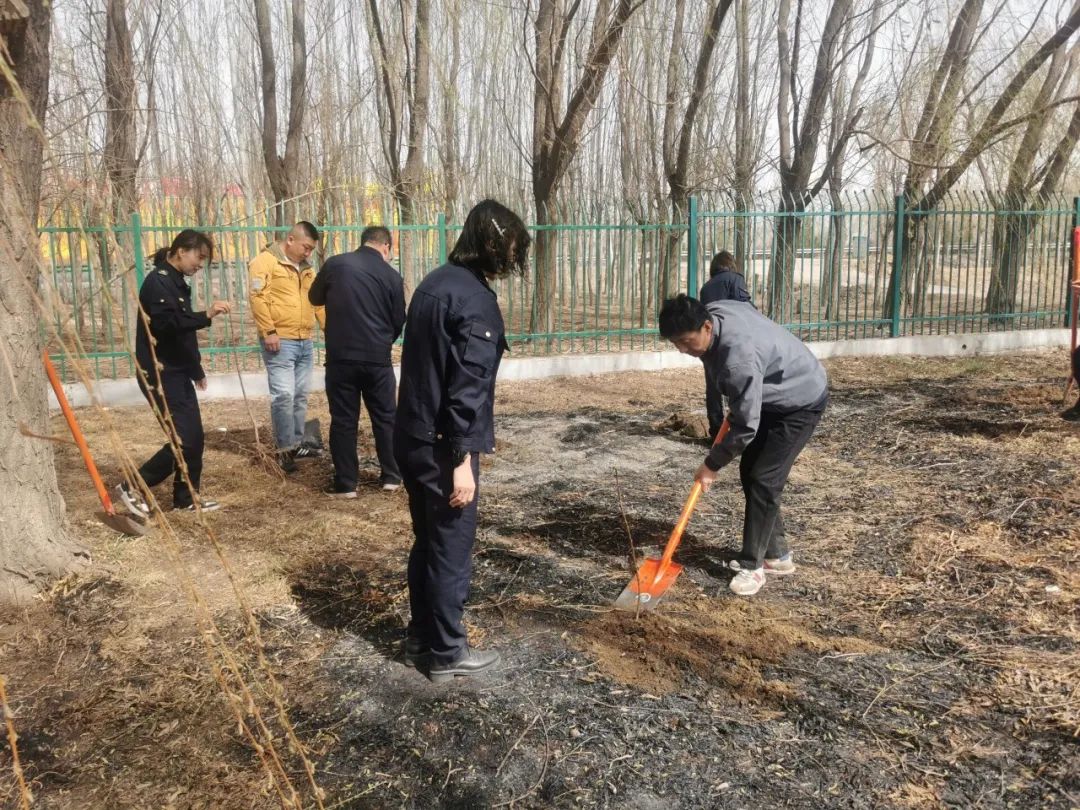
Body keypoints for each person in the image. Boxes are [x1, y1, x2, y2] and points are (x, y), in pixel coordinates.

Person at [394, 199, 530, 684]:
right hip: (441, 448)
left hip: (410, 436)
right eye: (512, 247)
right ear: (494, 244)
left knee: (427, 542)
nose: (514, 258)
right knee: (451, 547)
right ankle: (448, 653)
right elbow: (466, 391)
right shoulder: (474, 300)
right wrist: (461, 460)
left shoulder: (434, 283)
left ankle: (419, 638)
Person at [658, 294, 828, 597]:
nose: (682, 350)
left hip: (799, 400)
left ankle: (754, 567)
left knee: (764, 477)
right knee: (753, 472)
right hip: (771, 392)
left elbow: (746, 424)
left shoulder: (738, 361)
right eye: (676, 344)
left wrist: (711, 464)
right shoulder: (717, 312)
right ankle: (777, 556)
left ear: (707, 327)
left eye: (686, 341)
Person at [114, 230, 232, 515]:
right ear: (182, 250)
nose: (200, 264)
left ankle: (186, 497)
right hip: (160, 372)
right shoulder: (158, 283)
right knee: (185, 439)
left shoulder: (176, 282)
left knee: (194, 437)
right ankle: (132, 486)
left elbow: (182, 337)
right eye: (199, 257)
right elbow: (168, 326)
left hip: (178, 371)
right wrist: (206, 315)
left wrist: (196, 369)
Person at [308, 225, 406, 496]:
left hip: (341, 358)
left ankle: (346, 483)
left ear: (362, 242)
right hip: (377, 358)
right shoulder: (392, 276)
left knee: (343, 420)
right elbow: (399, 320)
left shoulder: (336, 264)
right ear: (386, 247)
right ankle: (392, 477)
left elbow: (314, 297)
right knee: (386, 418)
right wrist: (383, 339)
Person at [248, 222, 325, 473]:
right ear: (290, 240)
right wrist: (268, 331)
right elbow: (258, 298)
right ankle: (284, 450)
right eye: (306, 247)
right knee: (284, 395)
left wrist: (329, 330)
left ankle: (296, 442)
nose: (308, 253)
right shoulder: (265, 262)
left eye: (312, 249)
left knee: (301, 394)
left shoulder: (307, 268)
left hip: (305, 339)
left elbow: (317, 302)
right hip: (280, 340)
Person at [698, 250, 752, 440]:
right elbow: (744, 308)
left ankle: (716, 434)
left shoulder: (705, 288)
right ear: (731, 265)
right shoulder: (735, 279)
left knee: (712, 387)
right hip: (734, 340)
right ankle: (739, 432)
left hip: (711, 341)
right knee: (739, 385)